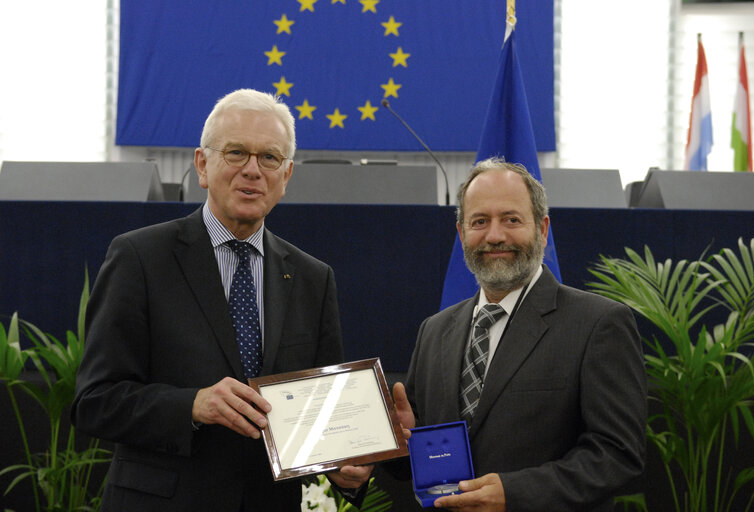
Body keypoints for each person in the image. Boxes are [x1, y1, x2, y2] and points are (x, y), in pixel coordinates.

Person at [72, 89, 371, 511]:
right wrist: (192, 405)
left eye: (269, 158)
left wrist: (342, 467)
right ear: (202, 165)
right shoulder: (140, 258)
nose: (252, 170)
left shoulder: (312, 278)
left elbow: (319, 419)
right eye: (236, 153)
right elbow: (94, 403)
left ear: (285, 177)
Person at [393, 158, 646, 511]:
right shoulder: (435, 330)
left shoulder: (598, 325)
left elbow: (618, 454)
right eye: (479, 222)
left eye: (511, 220)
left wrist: (515, 493)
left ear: (542, 230)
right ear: (462, 233)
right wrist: (404, 442)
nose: (495, 236)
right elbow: (425, 458)